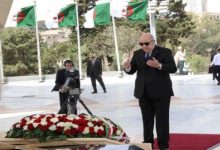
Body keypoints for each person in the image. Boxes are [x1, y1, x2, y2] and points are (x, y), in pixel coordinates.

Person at [123, 33, 177, 150]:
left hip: (161, 92)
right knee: (146, 120)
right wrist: (127, 67)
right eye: (141, 44)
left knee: (162, 121)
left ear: (153, 42)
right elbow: (132, 70)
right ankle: (148, 144)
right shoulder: (137, 54)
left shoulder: (165, 52)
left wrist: (159, 65)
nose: (144, 46)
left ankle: (163, 146)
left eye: (146, 43)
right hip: (143, 92)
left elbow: (173, 68)